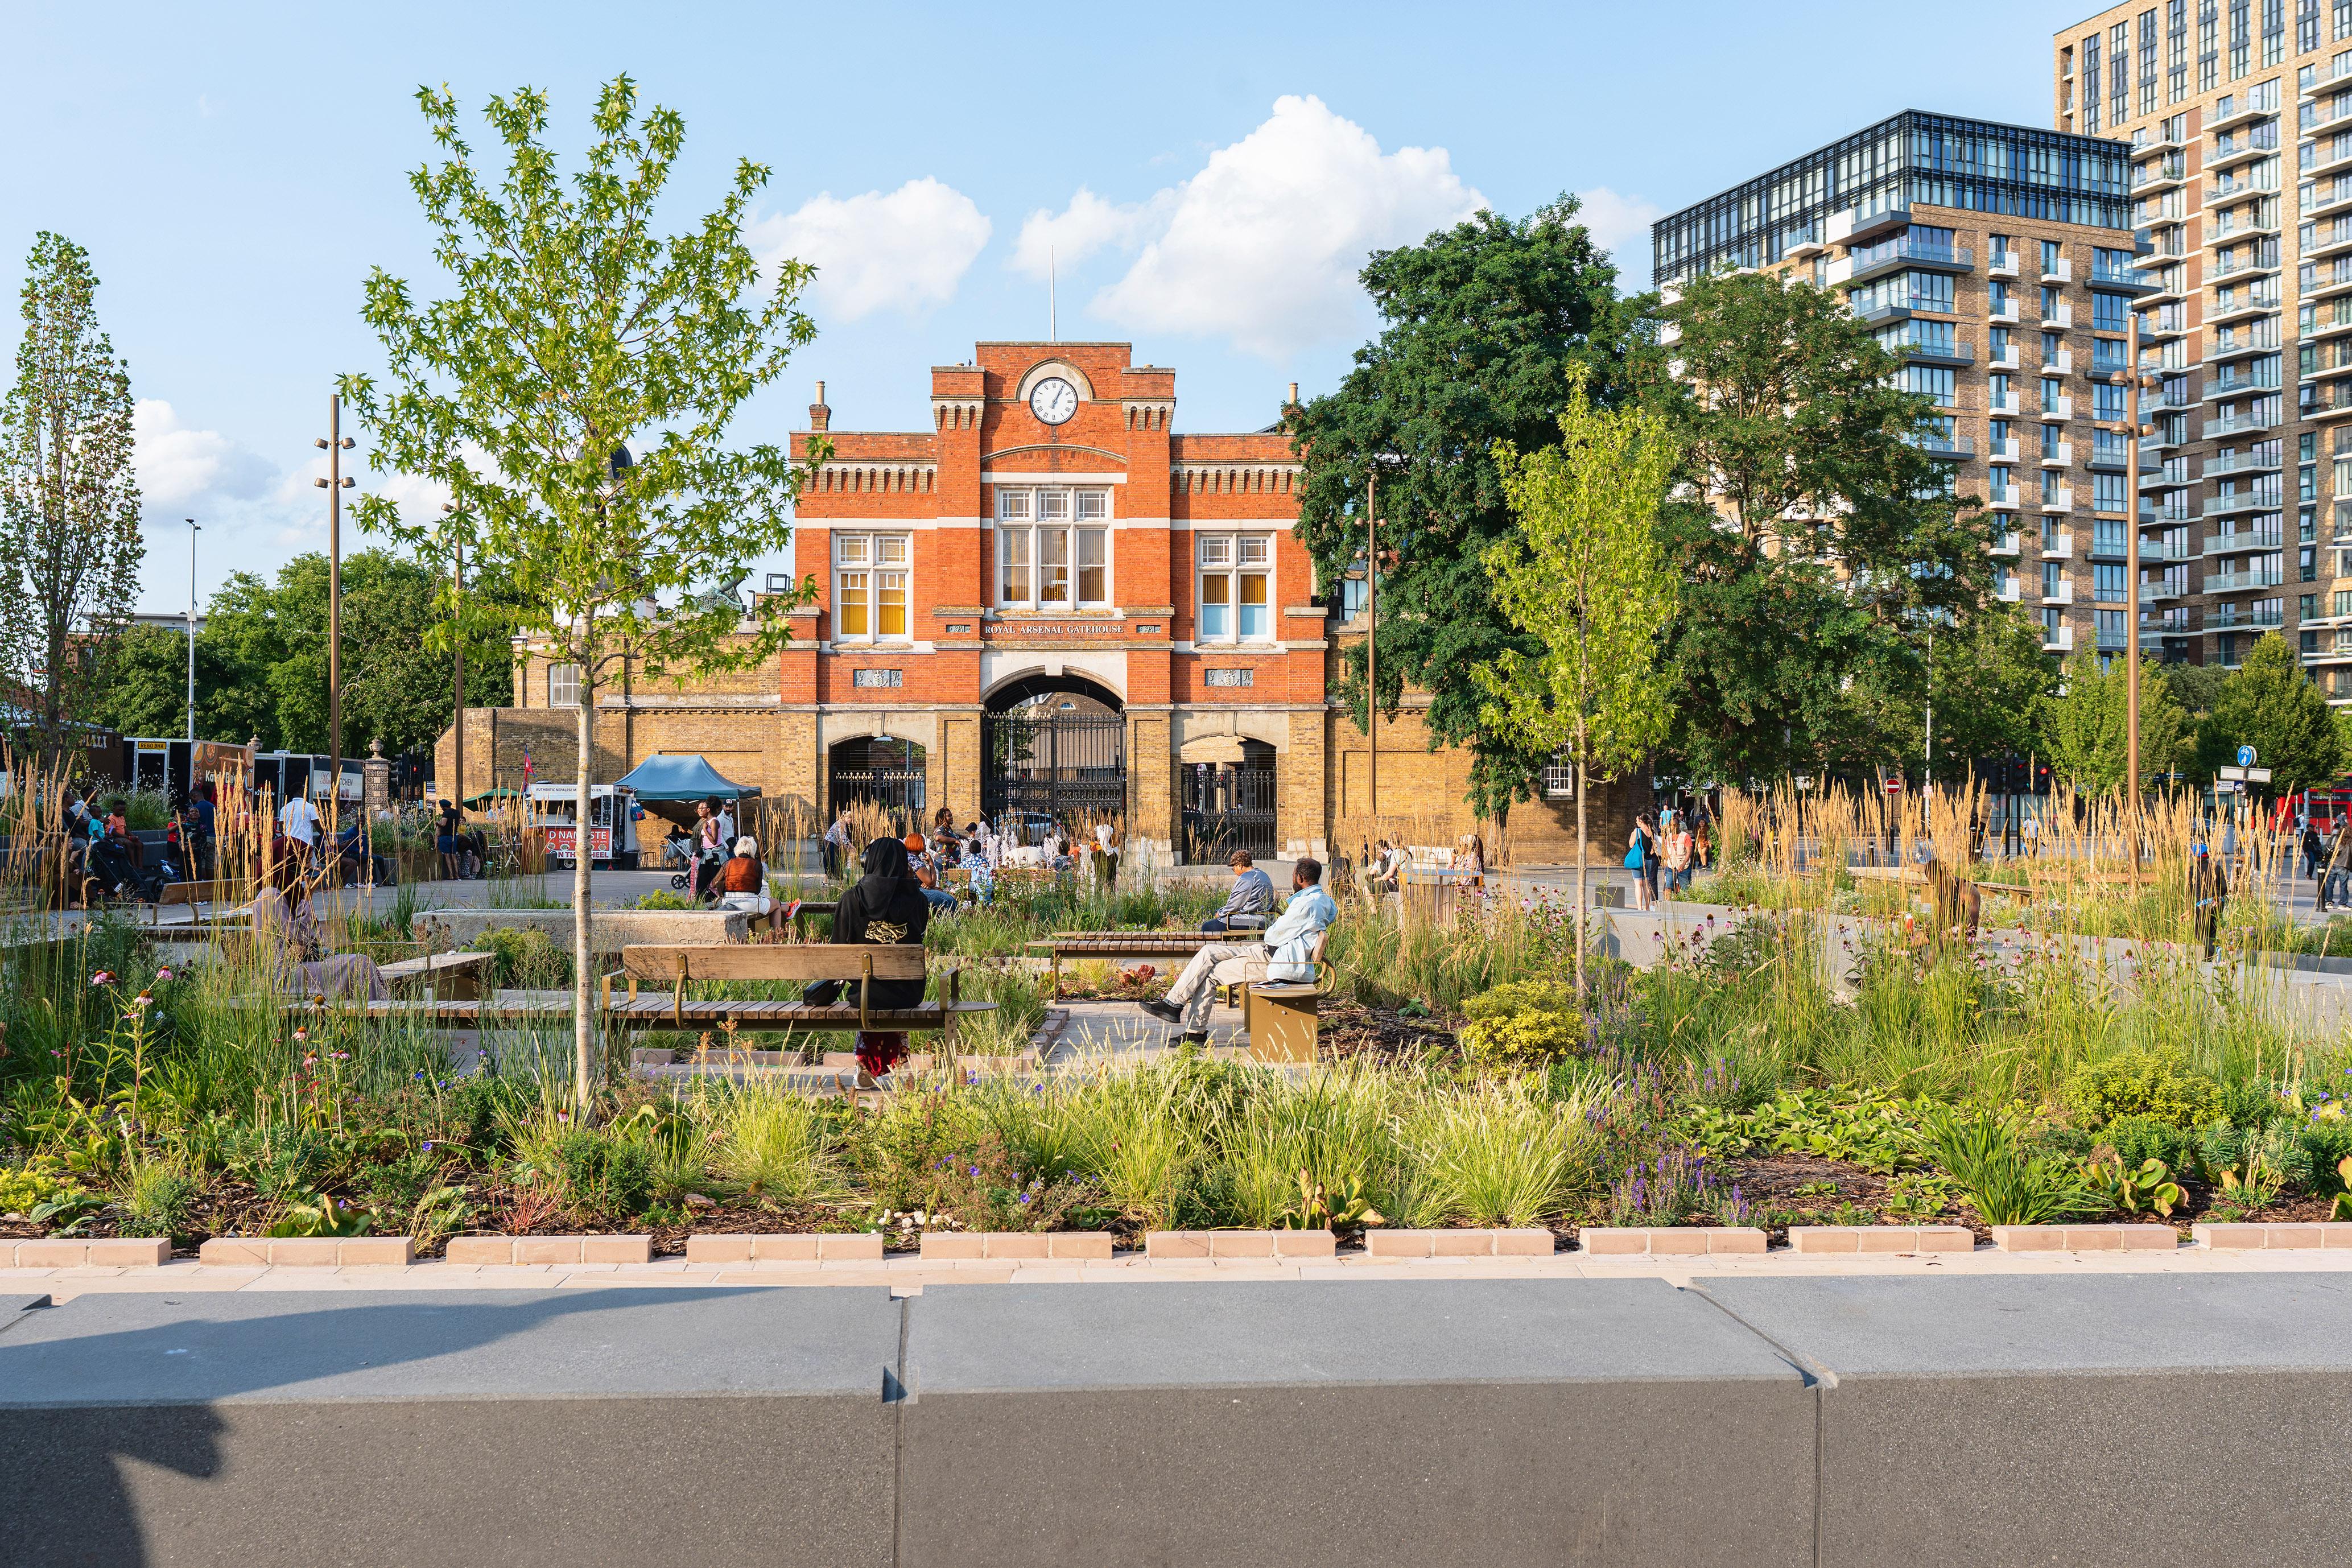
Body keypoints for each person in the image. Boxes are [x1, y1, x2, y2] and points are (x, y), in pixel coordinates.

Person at [1144, 858, 1338, 1041]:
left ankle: (1195, 1032)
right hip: (1271, 953)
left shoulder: (1306, 905)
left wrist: (1277, 929)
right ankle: (1172, 1004)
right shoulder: (1321, 901)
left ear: (1300, 878)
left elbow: (1273, 936)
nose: (1293, 880)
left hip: (1278, 962)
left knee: (1211, 974)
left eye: (1293, 876)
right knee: (1208, 951)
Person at [807, 837, 931, 1085]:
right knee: (890, 993)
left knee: (868, 990)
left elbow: (837, 955)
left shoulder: (852, 899)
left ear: (868, 861)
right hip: (909, 993)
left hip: (865, 995)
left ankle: (865, 1063)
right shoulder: (919, 900)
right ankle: (894, 1063)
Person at [249, 857, 389, 1001]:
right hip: (284, 975)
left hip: (302, 964)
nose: (310, 866)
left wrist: (303, 942)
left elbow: (314, 937)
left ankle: (374, 1012)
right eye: (307, 860)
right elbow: (300, 935)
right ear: (288, 862)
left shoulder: (288, 893)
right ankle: (375, 1014)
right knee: (359, 963)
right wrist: (307, 898)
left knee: (361, 962)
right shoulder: (271, 895)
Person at [715, 835, 783, 934]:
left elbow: (715, 882)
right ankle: (777, 935)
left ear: (737, 849)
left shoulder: (728, 863)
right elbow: (758, 890)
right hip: (750, 903)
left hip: (729, 902)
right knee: (776, 904)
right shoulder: (756, 864)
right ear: (753, 850)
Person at [1204, 850, 1276, 932]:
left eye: (1234, 869)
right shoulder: (1263, 875)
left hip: (1252, 919)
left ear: (1240, 865)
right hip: (1265, 919)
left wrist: (1219, 914)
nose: (1235, 872)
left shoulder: (1247, 878)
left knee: (1207, 927)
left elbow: (1234, 905)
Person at [2189, 840, 2227, 962]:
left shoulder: (2193, 870)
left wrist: (2188, 909)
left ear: (2195, 856)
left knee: (2199, 933)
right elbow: (2225, 888)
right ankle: (2207, 961)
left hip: (2203, 905)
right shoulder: (2217, 868)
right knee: (2211, 933)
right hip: (2218, 904)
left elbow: (2190, 891)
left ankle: (2217, 949)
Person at [279, 791, 321, 870]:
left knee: (293, 871)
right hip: (306, 845)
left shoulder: (285, 808)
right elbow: (318, 826)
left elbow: (282, 829)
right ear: (301, 791)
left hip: (290, 846)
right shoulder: (310, 807)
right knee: (313, 872)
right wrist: (326, 835)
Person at [1355, 839, 1402, 905]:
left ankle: (1373, 912)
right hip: (1387, 881)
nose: (1377, 851)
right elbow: (1372, 873)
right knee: (1369, 881)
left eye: (1379, 849)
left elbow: (1389, 873)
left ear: (1385, 849)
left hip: (1391, 883)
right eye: (1376, 849)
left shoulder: (1389, 856)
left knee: (1367, 889)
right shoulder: (1385, 856)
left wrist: (1379, 878)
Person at [187, 782, 217, 884]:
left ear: (195, 796)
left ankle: (203, 885)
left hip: (203, 838)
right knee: (211, 864)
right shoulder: (213, 806)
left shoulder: (196, 809)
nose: (191, 801)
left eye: (191, 798)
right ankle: (211, 886)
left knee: (202, 863)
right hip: (214, 837)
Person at [1627, 814, 1656, 911]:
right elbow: (1653, 849)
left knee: (1638, 884)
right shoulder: (1652, 832)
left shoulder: (1637, 831)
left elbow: (1631, 844)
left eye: (1637, 820)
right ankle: (1647, 907)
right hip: (1649, 860)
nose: (1636, 822)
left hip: (1638, 860)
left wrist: (1632, 834)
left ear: (1641, 821)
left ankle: (1639, 907)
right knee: (1646, 884)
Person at [1662, 817, 1693, 900]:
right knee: (1668, 884)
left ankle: (1687, 902)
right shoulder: (1668, 837)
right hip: (1670, 865)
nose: (1673, 827)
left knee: (1685, 887)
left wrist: (1683, 864)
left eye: (1675, 825)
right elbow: (1666, 850)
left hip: (1683, 865)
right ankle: (1667, 903)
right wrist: (1665, 860)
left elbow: (1689, 852)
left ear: (1679, 825)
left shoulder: (1685, 836)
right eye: (1671, 825)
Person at [437, 799, 464, 881]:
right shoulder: (457, 812)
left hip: (445, 837)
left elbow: (443, 824)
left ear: (443, 807)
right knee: (454, 855)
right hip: (454, 836)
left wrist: (438, 823)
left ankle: (451, 875)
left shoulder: (446, 813)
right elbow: (458, 824)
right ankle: (457, 875)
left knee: (447, 855)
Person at [823, 809, 852, 879]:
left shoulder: (842, 824)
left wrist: (850, 845)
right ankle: (840, 882)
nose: (851, 822)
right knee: (833, 863)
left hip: (830, 843)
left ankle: (825, 881)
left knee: (831, 863)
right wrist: (850, 847)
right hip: (830, 844)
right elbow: (843, 838)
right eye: (851, 820)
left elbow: (844, 837)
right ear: (847, 818)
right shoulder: (841, 824)